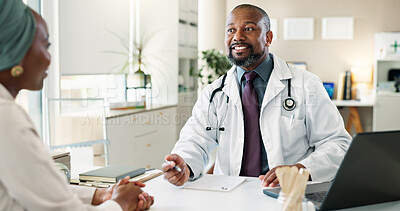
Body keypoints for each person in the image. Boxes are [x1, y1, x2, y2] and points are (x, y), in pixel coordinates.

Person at [162, 4, 351, 187]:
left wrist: (301, 170)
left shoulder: (306, 84)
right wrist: (183, 165)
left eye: (249, 28)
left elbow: (338, 143)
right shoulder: (214, 92)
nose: (238, 37)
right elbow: (195, 140)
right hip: (229, 195)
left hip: (285, 193)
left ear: (268, 38)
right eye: (230, 30)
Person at [0, 0, 154, 210]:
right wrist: (120, 203)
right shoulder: (7, 119)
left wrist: (100, 195)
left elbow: (42, 186)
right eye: (45, 46)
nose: (49, 58)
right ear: (15, 48)